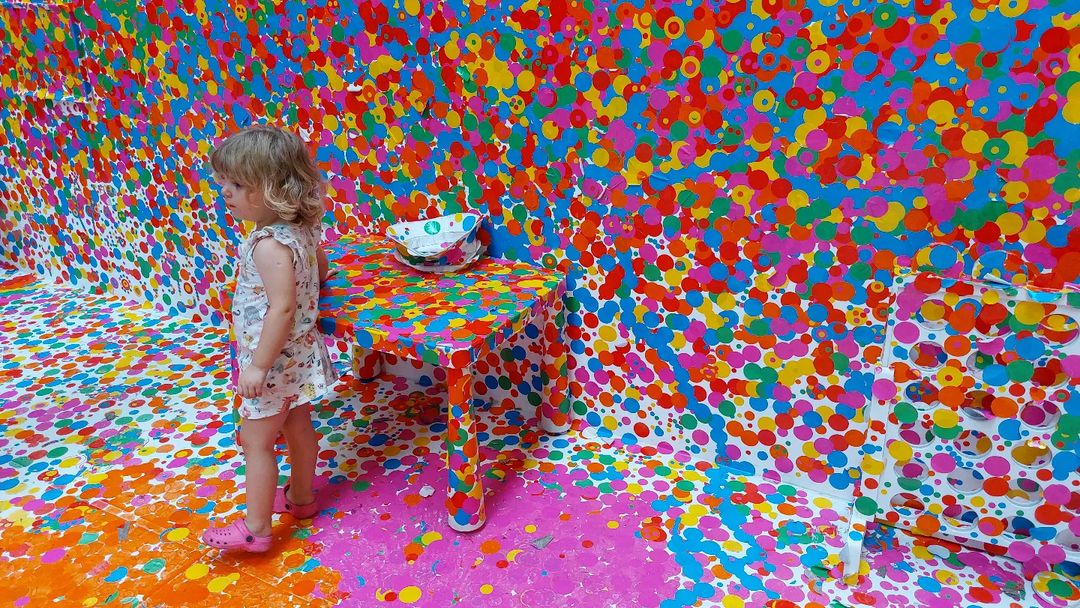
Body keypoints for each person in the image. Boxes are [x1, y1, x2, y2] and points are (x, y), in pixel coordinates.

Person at [201, 125, 339, 552]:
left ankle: (256, 529)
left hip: (273, 360)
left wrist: (258, 364)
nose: (226, 191)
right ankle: (301, 498)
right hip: (299, 355)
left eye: (238, 184)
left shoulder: (266, 245)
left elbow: (281, 308)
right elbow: (321, 269)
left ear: (273, 188)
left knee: (257, 442)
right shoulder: (302, 229)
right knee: (298, 423)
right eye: (225, 182)